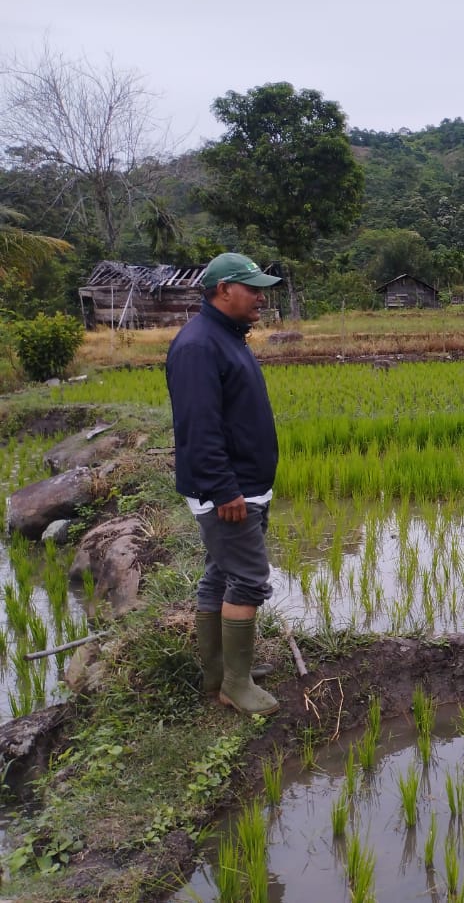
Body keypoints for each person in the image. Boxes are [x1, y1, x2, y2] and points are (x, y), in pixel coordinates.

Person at [166, 252, 282, 715]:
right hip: (230, 491)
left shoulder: (225, 336)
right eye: (252, 288)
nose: (260, 296)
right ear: (223, 291)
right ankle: (235, 683)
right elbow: (200, 426)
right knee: (251, 579)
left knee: (222, 573)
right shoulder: (199, 345)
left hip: (243, 485)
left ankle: (220, 672)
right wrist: (224, 490)